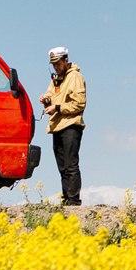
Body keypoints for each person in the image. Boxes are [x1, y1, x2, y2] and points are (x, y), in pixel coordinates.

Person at [40, 45, 86, 207]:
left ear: (66, 60)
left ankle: (74, 200)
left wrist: (57, 108)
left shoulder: (76, 77)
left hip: (71, 125)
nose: (56, 67)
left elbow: (79, 104)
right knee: (62, 167)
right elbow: (50, 94)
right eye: (53, 65)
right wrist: (46, 100)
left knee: (70, 164)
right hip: (57, 126)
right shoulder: (56, 79)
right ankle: (66, 198)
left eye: (58, 63)